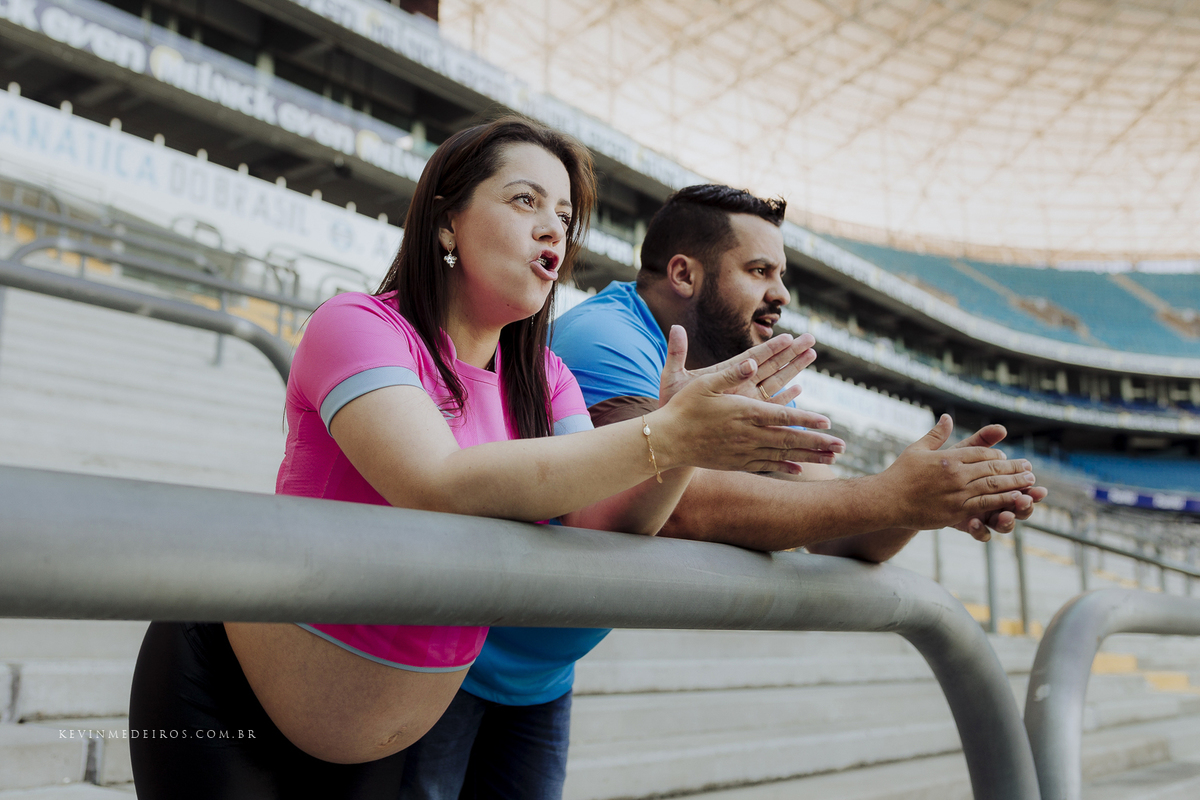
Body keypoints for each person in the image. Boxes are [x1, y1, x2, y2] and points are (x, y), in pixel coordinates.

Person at [127, 126, 844, 799]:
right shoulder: (358, 326)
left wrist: (683, 447)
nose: (552, 229)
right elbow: (432, 483)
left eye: (564, 216)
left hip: (382, 750)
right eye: (524, 200)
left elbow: (604, 529)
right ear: (446, 222)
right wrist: (668, 435)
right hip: (227, 705)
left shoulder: (546, 380)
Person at [398, 184, 1048, 800]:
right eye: (761, 271)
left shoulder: (727, 381)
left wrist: (926, 498)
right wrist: (892, 497)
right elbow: (671, 506)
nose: (781, 294)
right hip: (453, 665)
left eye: (782, 277)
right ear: (683, 275)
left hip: (539, 679)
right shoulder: (605, 338)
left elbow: (840, 530)